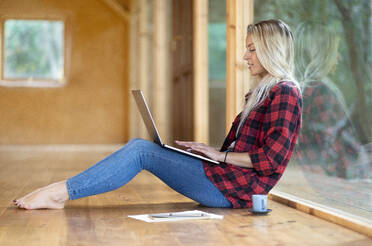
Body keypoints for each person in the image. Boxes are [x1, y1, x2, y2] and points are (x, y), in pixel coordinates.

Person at [13, 19, 302, 210]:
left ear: (270, 50)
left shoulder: (285, 92)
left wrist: (219, 156)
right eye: (247, 49)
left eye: (252, 49)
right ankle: (60, 191)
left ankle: (59, 193)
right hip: (224, 177)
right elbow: (243, 151)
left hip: (232, 190)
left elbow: (271, 160)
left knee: (141, 151)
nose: (245, 56)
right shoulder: (262, 92)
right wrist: (210, 152)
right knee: (144, 148)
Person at [292, 21, 370, 179]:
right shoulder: (322, 92)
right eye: (335, 51)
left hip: (312, 174)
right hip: (333, 180)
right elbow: (332, 150)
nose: (339, 57)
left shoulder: (301, 89)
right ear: (322, 56)